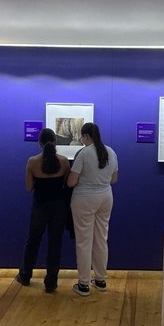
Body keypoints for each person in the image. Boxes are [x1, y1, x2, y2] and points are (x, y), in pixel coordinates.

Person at [16, 128, 70, 293]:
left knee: (33, 241)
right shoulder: (64, 162)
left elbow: (28, 187)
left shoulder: (32, 162)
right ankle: (51, 282)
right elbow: (67, 185)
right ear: (55, 142)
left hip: (40, 206)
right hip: (59, 207)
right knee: (55, 244)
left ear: (39, 143)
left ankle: (25, 276)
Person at [67, 122, 118, 296]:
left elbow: (71, 182)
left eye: (82, 136)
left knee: (84, 241)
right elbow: (114, 179)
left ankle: (83, 284)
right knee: (101, 239)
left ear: (86, 136)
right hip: (106, 197)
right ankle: (101, 279)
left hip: (84, 199)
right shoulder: (111, 152)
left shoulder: (84, 153)